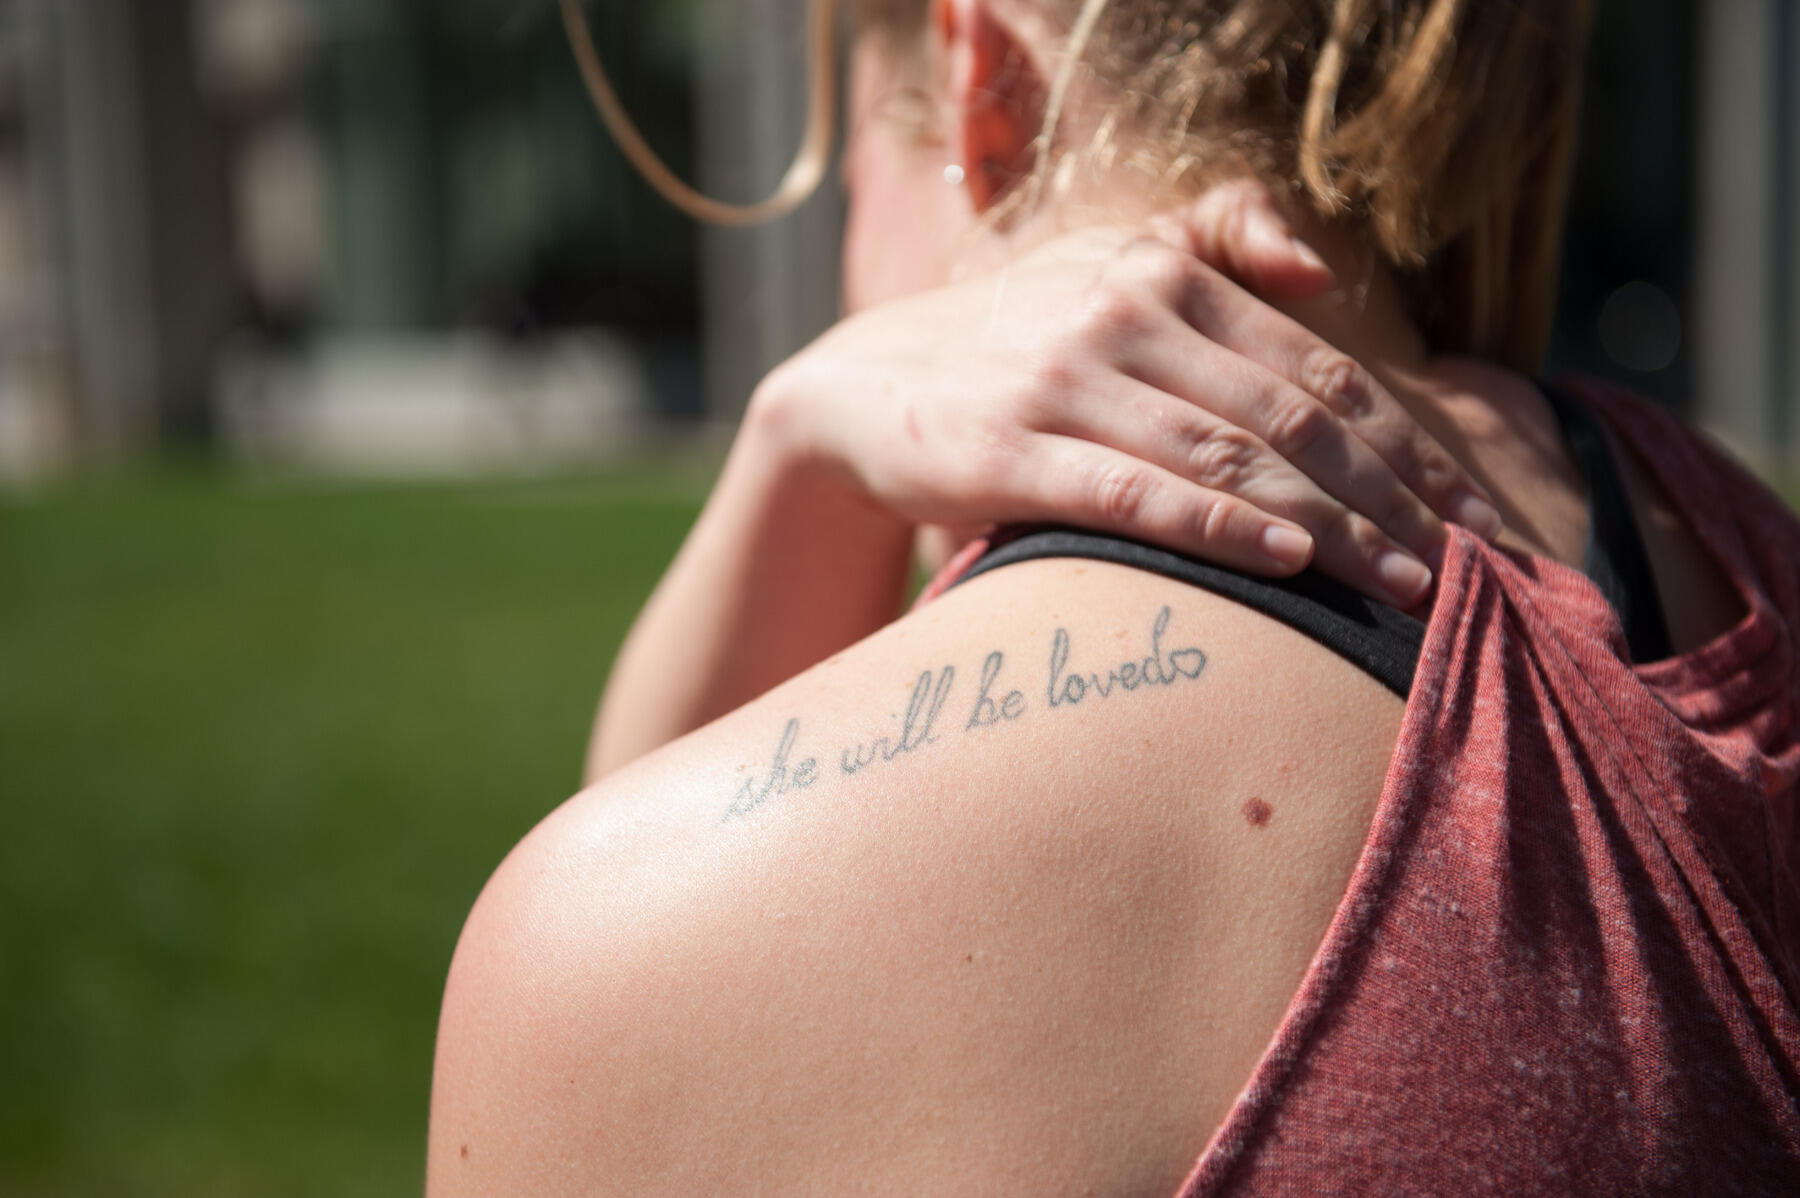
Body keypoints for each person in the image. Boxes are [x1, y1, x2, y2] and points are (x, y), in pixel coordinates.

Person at [427, 2, 1800, 1194]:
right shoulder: (1733, 544)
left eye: (849, 181)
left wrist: (796, 431)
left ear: (985, 89)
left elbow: (645, 1018)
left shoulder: (601, 951)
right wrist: (803, 454)